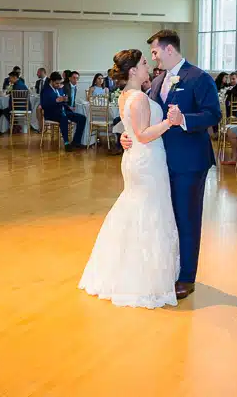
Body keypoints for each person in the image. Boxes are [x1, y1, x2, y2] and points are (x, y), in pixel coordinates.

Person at [120, 30, 220, 299]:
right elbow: (145, 118)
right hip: (159, 161)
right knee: (167, 217)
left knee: (187, 219)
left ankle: (187, 276)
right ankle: (171, 268)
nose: (152, 58)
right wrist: (127, 134)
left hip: (190, 161)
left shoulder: (199, 77)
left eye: (154, 52)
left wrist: (183, 119)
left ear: (168, 50)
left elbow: (213, 114)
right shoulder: (157, 80)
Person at [79, 49, 178, 307]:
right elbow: (144, 134)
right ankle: (145, 278)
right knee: (149, 211)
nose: (148, 66)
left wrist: (127, 136)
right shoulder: (139, 98)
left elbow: (130, 128)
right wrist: (170, 121)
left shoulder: (125, 96)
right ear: (133, 70)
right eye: (144, 63)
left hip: (136, 159)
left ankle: (125, 270)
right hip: (147, 160)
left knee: (137, 209)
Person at [40, 71, 86, 151]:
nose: (58, 85)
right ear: (51, 81)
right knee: (63, 117)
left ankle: (76, 141)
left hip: (62, 111)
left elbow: (62, 100)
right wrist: (56, 101)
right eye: (56, 83)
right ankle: (66, 143)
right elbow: (44, 105)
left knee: (82, 118)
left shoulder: (59, 89)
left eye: (59, 83)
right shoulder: (45, 90)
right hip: (51, 113)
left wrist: (65, 101)